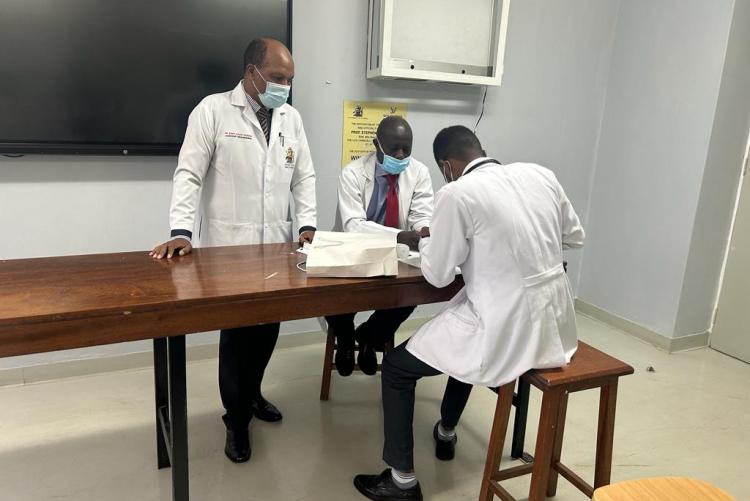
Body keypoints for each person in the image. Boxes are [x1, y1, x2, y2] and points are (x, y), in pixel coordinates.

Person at [353, 126, 585, 500]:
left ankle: (401, 480)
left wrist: (431, 241)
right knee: (456, 344)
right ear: (482, 150)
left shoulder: (457, 192)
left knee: (396, 368)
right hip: (556, 327)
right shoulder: (540, 174)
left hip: (503, 326)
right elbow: (574, 237)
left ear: (446, 166)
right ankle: (446, 431)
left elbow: (438, 274)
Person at [150, 38, 316, 464]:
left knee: (268, 328)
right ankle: (236, 420)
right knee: (237, 337)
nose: (284, 87)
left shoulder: (291, 118)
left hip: (276, 246)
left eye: (290, 80)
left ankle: (253, 394)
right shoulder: (213, 111)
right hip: (229, 249)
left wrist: (306, 225)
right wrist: (181, 231)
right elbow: (189, 174)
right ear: (250, 72)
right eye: (277, 78)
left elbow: (304, 177)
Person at [325, 116, 433, 376]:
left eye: (406, 148)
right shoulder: (352, 173)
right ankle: (345, 338)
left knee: (411, 295)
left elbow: (421, 215)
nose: (401, 155)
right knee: (332, 296)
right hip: (354, 249)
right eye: (394, 148)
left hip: (398, 254)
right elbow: (353, 225)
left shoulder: (419, 172)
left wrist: (423, 229)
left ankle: (369, 337)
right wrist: (399, 236)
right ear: (377, 145)